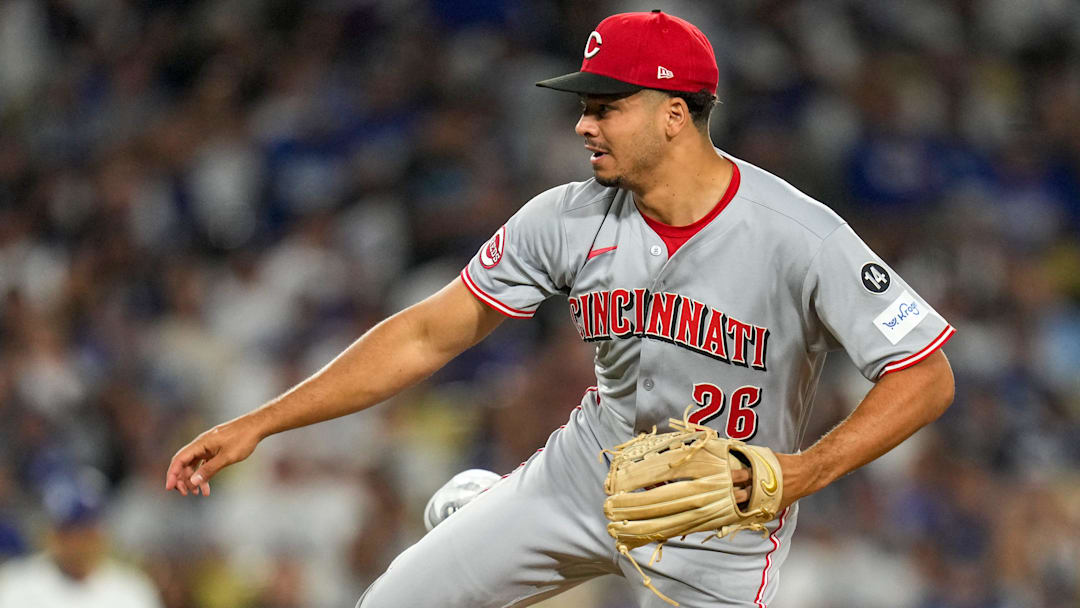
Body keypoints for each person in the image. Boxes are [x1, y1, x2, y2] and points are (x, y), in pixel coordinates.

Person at [166, 10, 956, 607]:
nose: (583, 122)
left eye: (607, 105)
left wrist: (799, 471)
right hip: (586, 472)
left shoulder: (799, 235)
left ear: (674, 113)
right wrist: (259, 423)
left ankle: (481, 504)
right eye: (585, 105)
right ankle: (493, 511)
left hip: (720, 518)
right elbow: (425, 335)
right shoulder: (568, 216)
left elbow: (925, 376)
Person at [0, 471, 163, 608]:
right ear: (52, 535)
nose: (79, 542)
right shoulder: (16, 585)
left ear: (101, 534)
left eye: (87, 530)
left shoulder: (131, 590)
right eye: (70, 531)